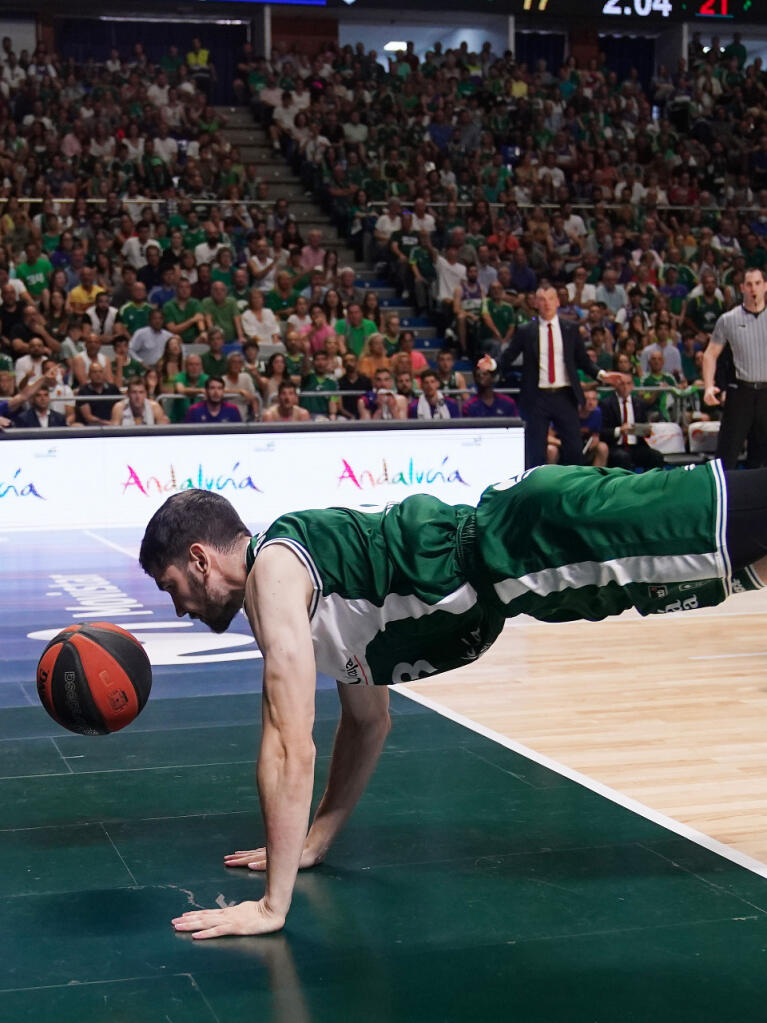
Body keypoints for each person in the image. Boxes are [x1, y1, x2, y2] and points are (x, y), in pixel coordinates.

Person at [143, 460, 767, 940]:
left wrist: (272, 905)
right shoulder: (319, 607)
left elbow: (287, 744)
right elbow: (367, 722)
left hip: (531, 536)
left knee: (737, 514)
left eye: (173, 587)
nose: (179, 608)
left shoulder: (275, 573)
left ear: (199, 559)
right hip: (533, 583)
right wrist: (314, 840)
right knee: (745, 566)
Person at [500, 286, 623, 469]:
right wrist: (493, 365)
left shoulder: (570, 329)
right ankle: (537, 490)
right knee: (536, 450)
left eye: (551, 298)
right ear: (536, 303)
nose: (547, 303)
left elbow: (583, 360)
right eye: (542, 299)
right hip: (537, 396)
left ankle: (574, 489)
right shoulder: (526, 330)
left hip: (564, 395)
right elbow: (509, 355)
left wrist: (602, 375)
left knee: (574, 449)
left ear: (558, 302)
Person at [703, 268, 767, 469]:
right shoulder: (728, 319)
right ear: (742, 288)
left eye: (757, 283)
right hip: (741, 393)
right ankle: (723, 499)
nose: (753, 289)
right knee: (727, 454)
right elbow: (710, 354)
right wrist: (708, 386)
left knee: (762, 457)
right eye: (749, 284)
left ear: (765, 286)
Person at [599, 375, 664, 471]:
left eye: (628, 384)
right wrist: (619, 430)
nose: (625, 387)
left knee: (656, 456)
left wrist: (646, 431)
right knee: (622, 457)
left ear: (632, 386)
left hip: (636, 446)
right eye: (622, 384)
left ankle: (651, 484)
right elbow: (602, 432)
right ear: (616, 385)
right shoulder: (606, 404)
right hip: (615, 446)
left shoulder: (639, 403)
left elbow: (644, 425)